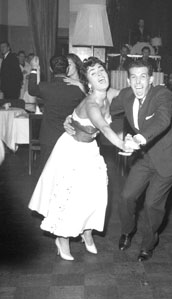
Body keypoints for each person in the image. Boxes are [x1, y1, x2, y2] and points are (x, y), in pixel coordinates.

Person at [29, 57, 138, 261]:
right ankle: (62, 239)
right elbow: (104, 128)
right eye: (93, 73)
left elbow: (132, 95)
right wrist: (124, 145)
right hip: (72, 150)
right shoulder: (91, 103)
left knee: (96, 195)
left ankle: (86, 232)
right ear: (88, 82)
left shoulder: (111, 94)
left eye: (101, 70)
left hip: (90, 150)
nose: (100, 74)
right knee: (69, 197)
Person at [110, 60, 172, 262]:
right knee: (126, 197)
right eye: (133, 77)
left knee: (151, 204)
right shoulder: (125, 95)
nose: (138, 82)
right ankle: (128, 231)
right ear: (128, 80)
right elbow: (112, 111)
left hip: (168, 158)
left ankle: (148, 244)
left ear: (151, 79)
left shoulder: (162, 95)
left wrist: (136, 139)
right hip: (145, 157)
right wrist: (121, 134)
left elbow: (162, 120)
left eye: (143, 77)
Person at [28, 55, 85, 172]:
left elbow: (32, 89)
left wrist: (34, 68)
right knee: (67, 172)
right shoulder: (77, 89)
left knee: (46, 172)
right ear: (67, 69)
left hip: (48, 136)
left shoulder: (45, 87)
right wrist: (81, 86)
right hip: (70, 136)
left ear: (50, 69)